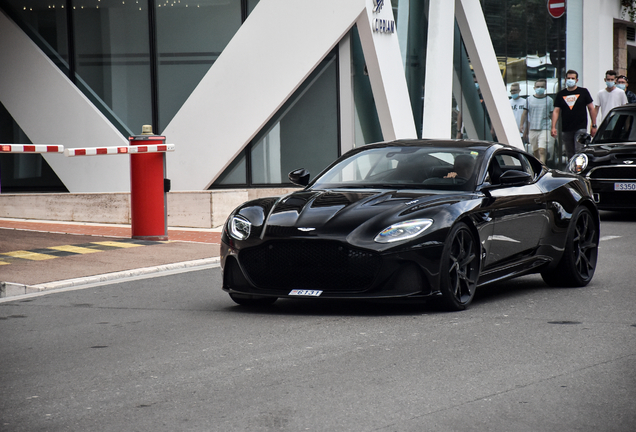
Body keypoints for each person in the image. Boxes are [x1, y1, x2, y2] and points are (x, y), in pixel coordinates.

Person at [551, 70, 597, 160]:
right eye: (568, 78)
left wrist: (594, 125)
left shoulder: (583, 92)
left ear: (577, 80)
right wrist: (553, 127)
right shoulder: (561, 94)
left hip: (580, 126)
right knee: (570, 153)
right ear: (565, 79)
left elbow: (591, 108)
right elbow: (556, 111)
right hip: (566, 128)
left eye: (573, 78)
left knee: (579, 150)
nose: (570, 80)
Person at [520, 79, 554, 163]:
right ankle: (538, 166)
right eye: (538, 86)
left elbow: (552, 115)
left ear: (545, 88)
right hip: (533, 128)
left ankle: (543, 168)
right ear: (534, 87)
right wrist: (521, 125)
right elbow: (524, 113)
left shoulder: (549, 100)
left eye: (542, 86)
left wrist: (554, 127)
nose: (540, 88)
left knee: (542, 150)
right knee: (535, 151)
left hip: (544, 128)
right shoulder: (529, 99)